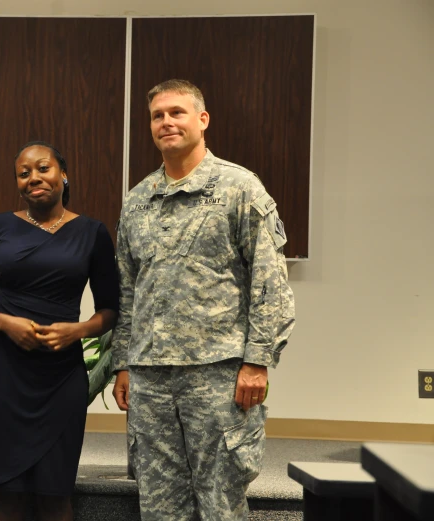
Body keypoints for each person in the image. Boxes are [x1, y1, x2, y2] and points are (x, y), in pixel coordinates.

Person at [111, 79, 295, 521]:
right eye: (158, 115)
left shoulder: (239, 187)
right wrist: (123, 363)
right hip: (152, 378)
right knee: (158, 505)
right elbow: (127, 289)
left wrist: (257, 360)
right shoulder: (138, 201)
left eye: (177, 112)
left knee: (221, 504)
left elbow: (269, 282)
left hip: (219, 374)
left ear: (202, 120)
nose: (166, 122)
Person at [0, 141, 119, 521]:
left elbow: (111, 309)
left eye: (42, 168)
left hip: (60, 375)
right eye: (23, 173)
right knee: (6, 494)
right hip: (3, 370)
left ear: (63, 174)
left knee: (55, 493)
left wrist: (77, 331)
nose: (33, 178)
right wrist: (4, 322)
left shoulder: (92, 232)